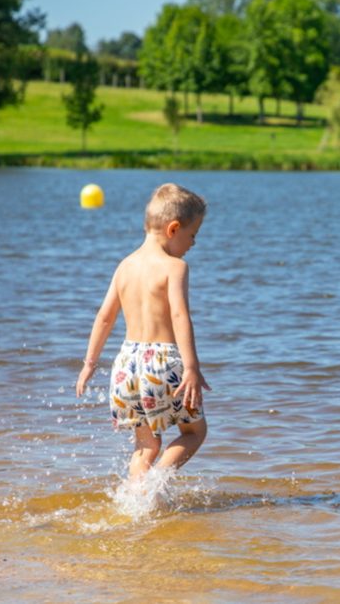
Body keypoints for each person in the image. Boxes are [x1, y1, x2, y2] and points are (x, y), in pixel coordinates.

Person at [75, 182, 211, 480]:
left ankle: (136, 498)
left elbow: (104, 317)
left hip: (125, 365)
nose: (193, 244)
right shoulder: (175, 267)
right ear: (174, 229)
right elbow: (179, 315)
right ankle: (156, 484)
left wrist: (89, 364)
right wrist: (191, 366)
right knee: (194, 432)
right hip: (162, 361)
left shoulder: (125, 265)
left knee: (145, 445)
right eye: (193, 235)